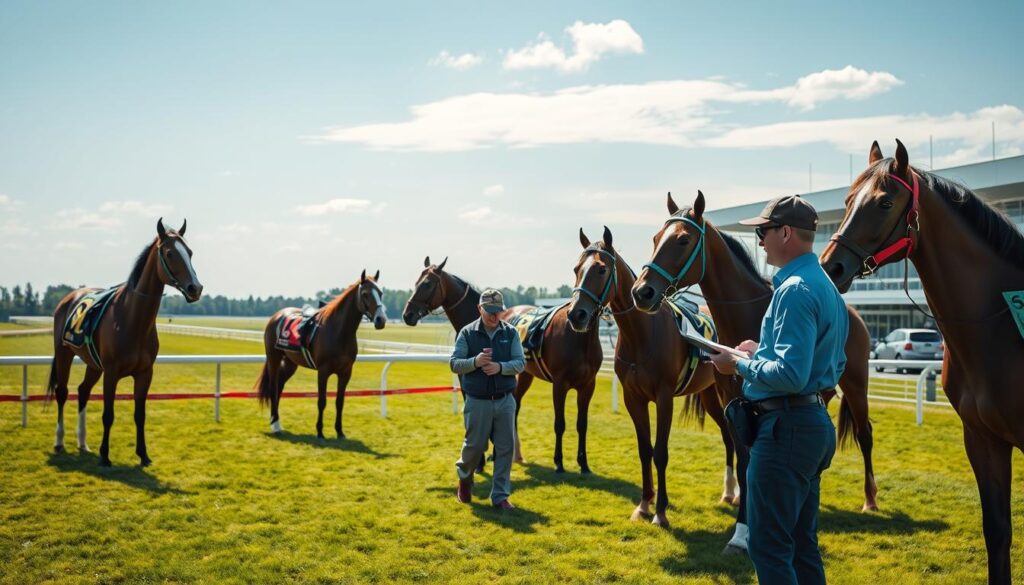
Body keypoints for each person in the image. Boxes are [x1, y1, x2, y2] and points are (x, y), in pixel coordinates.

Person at [709, 194, 849, 585]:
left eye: (763, 231)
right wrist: (760, 352)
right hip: (811, 425)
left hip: (785, 429)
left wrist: (735, 363)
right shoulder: (825, 287)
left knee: (768, 546)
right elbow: (833, 364)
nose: (759, 240)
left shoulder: (793, 290)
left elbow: (788, 374)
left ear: (785, 232)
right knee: (802, 545)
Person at [450, 288, 525, 509]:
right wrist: (475, 362)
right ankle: (464, 478)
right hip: (477, 401)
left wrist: (500, 368)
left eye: (498, 311)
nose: (494, 316)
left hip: (505, 401)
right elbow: (454, 363)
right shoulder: (466, 333)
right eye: (489, 311)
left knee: (505, 448)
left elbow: (520, 363)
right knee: (474, 447)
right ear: (479, 309)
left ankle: (500, 496)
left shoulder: (510, 333)